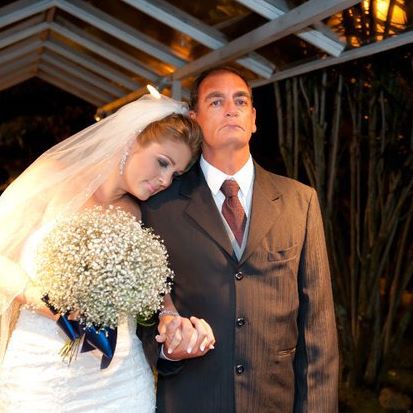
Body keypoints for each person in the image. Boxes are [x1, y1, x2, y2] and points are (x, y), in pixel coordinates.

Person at [141, 66, 339, 412]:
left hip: (274, 403)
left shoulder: (300, 201)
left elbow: (318, 330)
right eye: (216, 102)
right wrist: (166, 349)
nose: (231, 110)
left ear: (254, 119)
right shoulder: (159, 206)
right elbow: (140, 316)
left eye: (241, 101)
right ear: (195, 119)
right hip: (190, 401)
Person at [0, 94, 215, 412]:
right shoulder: (54, 178)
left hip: (120, 382)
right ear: (132, 140)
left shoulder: (142, 212)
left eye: (175, 174)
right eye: (163, 162)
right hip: (40, 373)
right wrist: (44, 300)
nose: (165, 180)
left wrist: (169, 316)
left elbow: (154, 282)